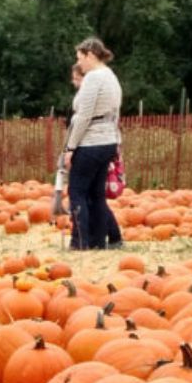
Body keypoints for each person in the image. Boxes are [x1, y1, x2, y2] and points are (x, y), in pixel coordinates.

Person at [63, 38, 122, 250]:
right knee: (97, 194)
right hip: (108, 141)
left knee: (77, 191)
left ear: (90, 55)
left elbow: (84, 116)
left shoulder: (93, 78)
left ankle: (80, 240)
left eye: (80, 58)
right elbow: (116, 112)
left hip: (90, 142)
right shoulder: (111, 76)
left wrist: (70, 147)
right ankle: (98, 241)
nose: (79, 63)